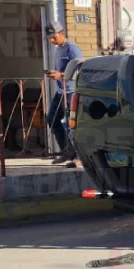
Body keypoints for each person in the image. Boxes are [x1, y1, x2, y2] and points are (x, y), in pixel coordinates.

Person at [45, 21, 82, 167]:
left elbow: (81, 70)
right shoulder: (59, 49)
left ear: (62, 33)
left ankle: (79, 156)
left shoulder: (72, 49)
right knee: (52, 119)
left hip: (72, 92)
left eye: (54, 37)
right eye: (50, 38)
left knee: (72, 125)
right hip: (61, 92)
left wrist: (60, 75)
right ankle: (67, 152)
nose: (52, 41)